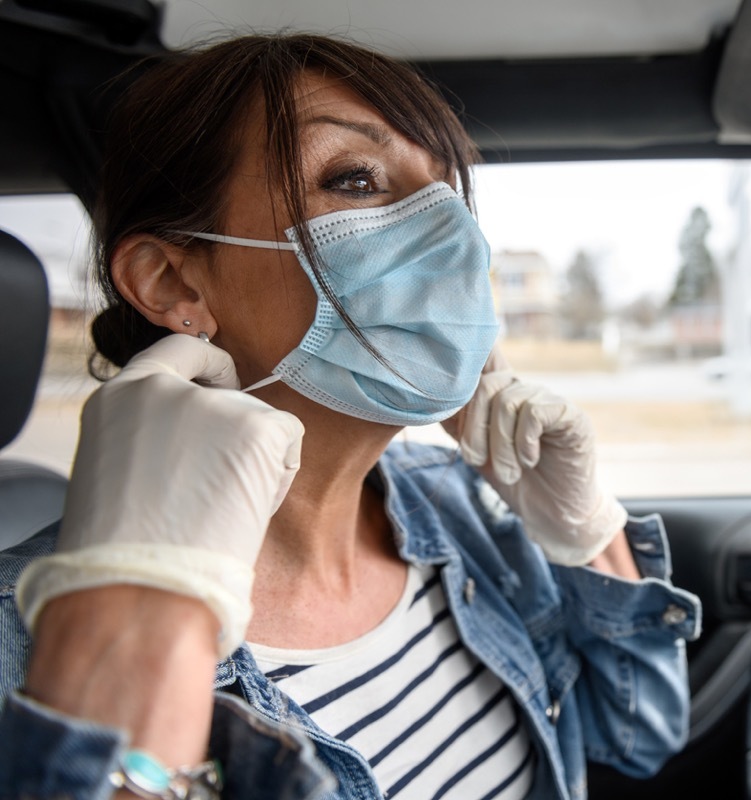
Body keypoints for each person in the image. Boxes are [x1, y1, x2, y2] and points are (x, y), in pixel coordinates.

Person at [0, 34, 700, 800]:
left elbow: (637, 738)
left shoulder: (457, 501)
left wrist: (587, 535)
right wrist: (142, 605)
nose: (455, 236)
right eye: (357, 179)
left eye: (447, 193)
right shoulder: (24, 641)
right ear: (173, 281)